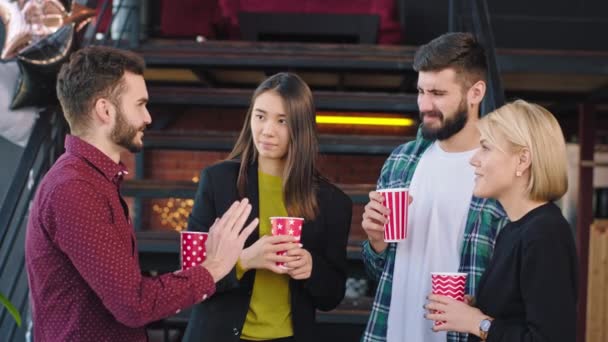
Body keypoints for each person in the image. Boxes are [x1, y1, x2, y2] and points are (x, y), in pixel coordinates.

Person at [25, 46, 258, 342]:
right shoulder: (74, 188)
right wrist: (213, 268)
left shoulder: (92, 181)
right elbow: (134, 304)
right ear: (105, 110)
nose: (148, 117)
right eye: (140, 104)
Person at [360, 32, 508, 342]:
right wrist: (376, 242)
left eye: (438, 93)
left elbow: (517, 282)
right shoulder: (401, 162)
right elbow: (378, 272)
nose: (425, 105)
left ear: (475, 92)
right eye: (420, 91)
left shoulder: (501, 170)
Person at [183, 72, 353, 342]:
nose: (267, 130)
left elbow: (332, 296)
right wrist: (245, 260)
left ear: (301, 127)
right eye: (260, 116)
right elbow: (189, 277)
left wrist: (311, 268)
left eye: (282, 121)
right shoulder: (218, 181)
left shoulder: (333, 202)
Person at [424, 100, 577, 342]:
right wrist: (475, 308)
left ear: (522, 160)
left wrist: (477, 322)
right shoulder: (513, 229)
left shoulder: (544, 233)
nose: (474, 159)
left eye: (485, 147)